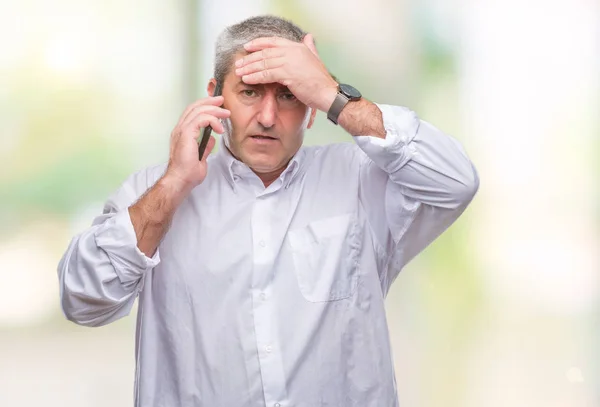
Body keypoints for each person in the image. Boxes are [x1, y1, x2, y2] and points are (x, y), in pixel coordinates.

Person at [57, 15, 478, 407]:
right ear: (215, 97)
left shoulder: (362, 182)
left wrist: (335, 95)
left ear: (311, 109)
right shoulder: (152, 192)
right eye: (250, 92)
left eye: (290, 95)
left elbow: (455, 182)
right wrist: (173, 184)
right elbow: (84, 300)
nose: (267, 116)